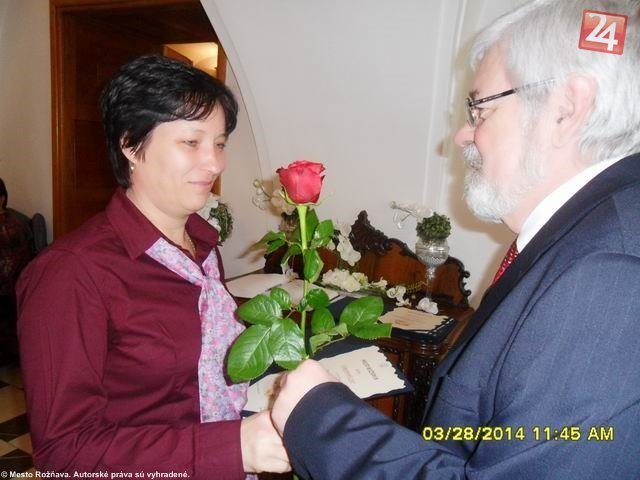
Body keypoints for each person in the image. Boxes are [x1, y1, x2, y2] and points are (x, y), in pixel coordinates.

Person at [270, 1, 640, 478]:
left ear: (566, 109)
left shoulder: (608, 275)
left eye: (479, 108)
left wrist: (319, 418)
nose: (462, 136)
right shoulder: (592, 233)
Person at [17, 55, 290, 478]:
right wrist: (233, 447)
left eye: (219, 144)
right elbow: (63, 454)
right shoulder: (71, 273)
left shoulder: (203, 250)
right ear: (130, 144)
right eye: (192, 142)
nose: (215, 163)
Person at [0, 178, 33, 365]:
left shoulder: (10, 226)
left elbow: (12, 265)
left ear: (2, 199)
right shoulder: (14, 221)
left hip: (8, 287)